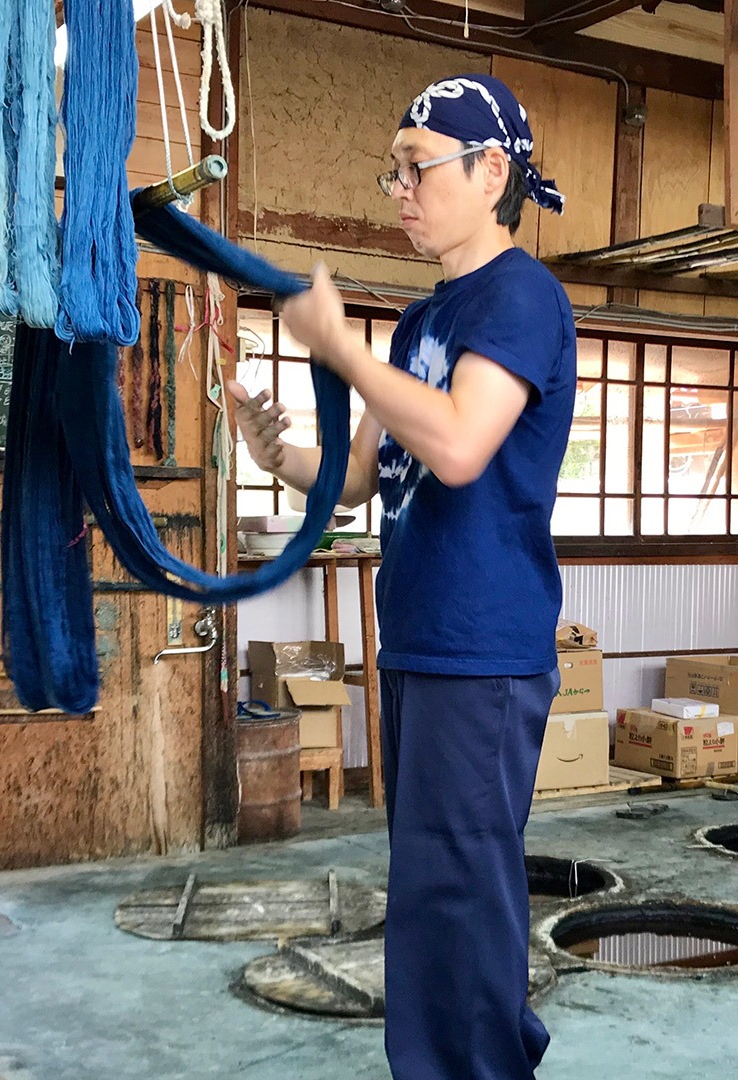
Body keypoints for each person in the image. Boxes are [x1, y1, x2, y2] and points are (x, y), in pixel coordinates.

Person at [227, 74, 575, 1080]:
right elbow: (356, 478)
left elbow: (461, 445)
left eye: (417, 165)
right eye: (395, 170)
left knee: (462, 893)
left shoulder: (522, 297)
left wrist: (338, 348)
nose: (400, 189)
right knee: (430, 891)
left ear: (491, 170)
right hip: (424, 643)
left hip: (483, 647)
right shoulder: (425, 318)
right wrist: (274, 454)